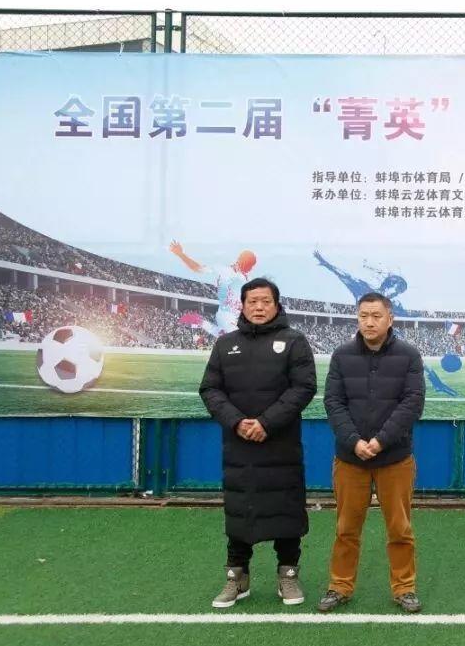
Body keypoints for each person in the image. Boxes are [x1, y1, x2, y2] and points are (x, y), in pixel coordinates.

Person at [199, 278, 317, 608]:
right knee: (240, 510)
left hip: (280, 444)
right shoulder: (225, 344)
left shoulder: (294, 341)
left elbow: (304, 387)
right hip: (239, 446)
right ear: (243, 305)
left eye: (266, 301)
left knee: (286, 510)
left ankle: (288, 575)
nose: (259, 307)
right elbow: (210, 389)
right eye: (253, 301)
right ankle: (237, 578)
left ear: (276, 305)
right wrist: (237, 422)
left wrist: (267, 422)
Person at [318, 292, 426, 614]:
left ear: (390, 318)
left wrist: (380, 441)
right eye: (363, 315)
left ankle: (404, 588)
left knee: (400, 529)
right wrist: (354, 441)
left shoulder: (409, 356)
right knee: (346, 529)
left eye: (376, 316)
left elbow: (412, 404)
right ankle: (339, 586)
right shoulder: (342, 356)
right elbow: (333, 402)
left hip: (395, 458)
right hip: (350, 459)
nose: (369, 322)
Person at [170, 240, 256, 337]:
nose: (250, 269)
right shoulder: (224, 270)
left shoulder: (248, 279)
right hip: (227, 315)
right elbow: (198, 268)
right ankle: (203, 323)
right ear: (241, 260)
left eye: (251, 267)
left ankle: (202, 322)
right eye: (249, 265)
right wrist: (181, 254)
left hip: (238, 316)